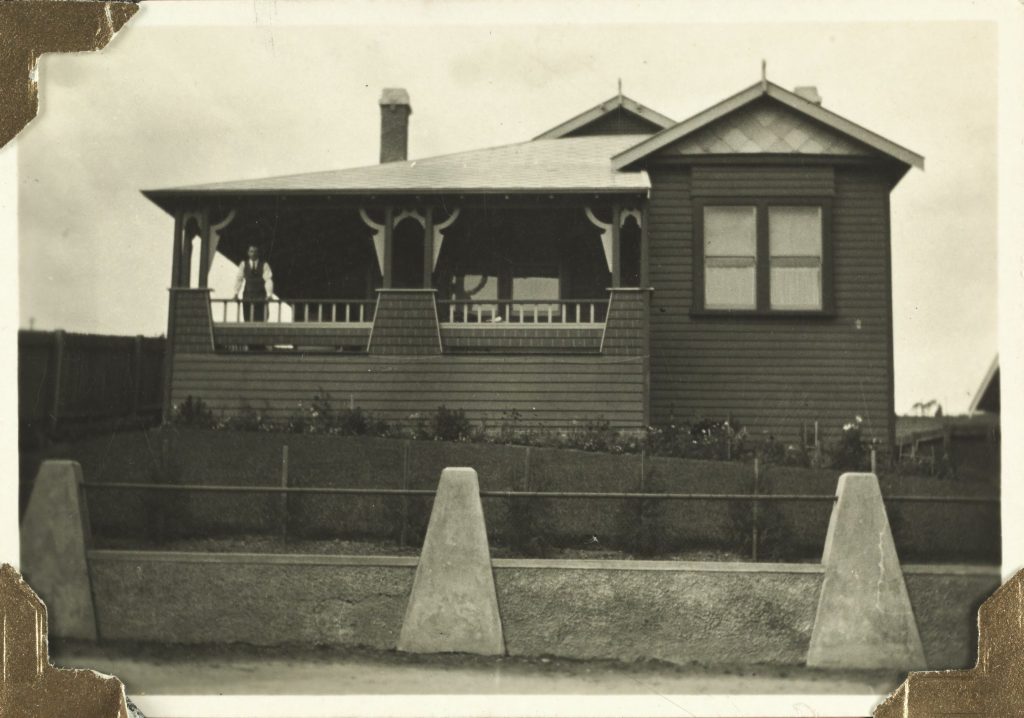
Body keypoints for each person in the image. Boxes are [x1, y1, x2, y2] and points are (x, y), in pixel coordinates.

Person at [234, 245, 274, 322]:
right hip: (247, 296)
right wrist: (236, 293)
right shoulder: (243, 264)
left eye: (255, 251)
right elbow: (239, 279)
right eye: (251, 251)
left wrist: (269, 294)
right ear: (248, 253)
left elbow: (268, 280)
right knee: (247, 319)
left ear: (258, 253)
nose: (253, 254)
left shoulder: (264, 265)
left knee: (261, 319)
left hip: (260, 296)